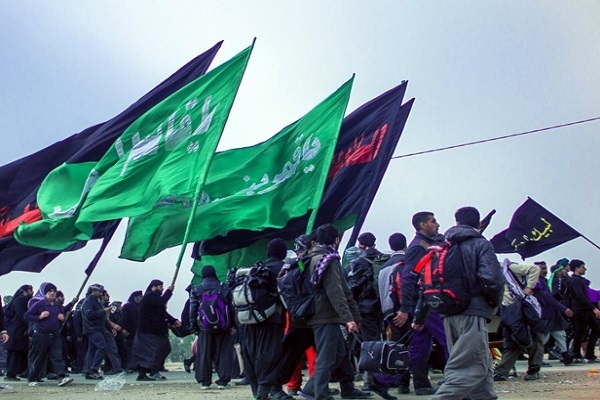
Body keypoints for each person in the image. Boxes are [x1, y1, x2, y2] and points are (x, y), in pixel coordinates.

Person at [414, 206, 504, 400]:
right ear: (479, 224)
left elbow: (425, 283)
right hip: (472, 311)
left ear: (456, 222)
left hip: (447, 310)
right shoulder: (480, 244)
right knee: (469, 368)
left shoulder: (441, 246)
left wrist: (420, 316)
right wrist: (492, 305)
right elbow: (493, 279)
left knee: (480, 362)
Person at [300, 223, 369, 400]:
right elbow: (337, 292)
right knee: (327, 356)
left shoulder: (314, 257)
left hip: (321, 314)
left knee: (340, 353)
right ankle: (319, 394)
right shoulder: (327, 260)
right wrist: (349, 318)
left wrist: (353, 315)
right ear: (337, 239)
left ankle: (317, 388)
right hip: (325, 315)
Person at [397, 212, 448, 395]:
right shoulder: (418, 247)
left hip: (426, 302)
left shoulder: (429, 244)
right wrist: (405, 308)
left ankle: (421, 384)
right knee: (447, 338)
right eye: (433, 221)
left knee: (421, 343)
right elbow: (408, 278)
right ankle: (455, 380)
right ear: (422, 225)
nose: (437, 224)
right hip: (426, 302)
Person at [240, 238, 287, 400]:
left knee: (252, 358)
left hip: (249, 319)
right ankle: (262, 395)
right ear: (283, 253)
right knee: (270, 357)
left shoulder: (256, 268)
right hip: (272, 320)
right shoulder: (283, 268)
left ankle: (257, 394)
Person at [345, 232, 384, 391]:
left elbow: (353, 287)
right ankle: (382, 375)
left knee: (367, 343)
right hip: (382, 307)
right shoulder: (383, 259)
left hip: (365, 307)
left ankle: (370, 379)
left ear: (360, 245)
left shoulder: (359, 263)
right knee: (378, 340)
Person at [494, 261, 543, 381]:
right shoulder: (493, 273)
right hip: (509, 310)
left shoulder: (510, 268)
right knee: (511, 340)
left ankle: (533, 369)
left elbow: (534, 269)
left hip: (524, 309)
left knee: (533, 338)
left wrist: (529, 287)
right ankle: (501, 371)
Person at [376, 232, 411, 395]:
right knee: (414, 346)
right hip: (404, 310)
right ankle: (415, 381)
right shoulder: (406, 263)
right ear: (405, 245)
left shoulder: (383, 266)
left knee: (397, 348)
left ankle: (399, 381)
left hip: (389, 311)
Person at [189, 265, 235, 389]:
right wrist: (233, 324)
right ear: (214, 273)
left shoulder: (197, 288)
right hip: (223, 325)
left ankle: (204, 381)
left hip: (204, 326)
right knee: (223, 352)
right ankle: (223, 381)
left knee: (204, 353)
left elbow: (193, 309)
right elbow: (231, 307)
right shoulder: (223, 286)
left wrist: (194, 326)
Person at [23, 283, 74, 387]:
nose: (52, 293)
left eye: (54, 291)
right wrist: (39, 317)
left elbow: (62, 314)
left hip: (55, 335)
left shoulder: (57, 305)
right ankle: (32, 377)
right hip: (41, 334)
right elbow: (27, 315)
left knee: (57, 356)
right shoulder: (39, 304)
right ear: (45, 293)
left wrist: (62, 317)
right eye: (49, 291)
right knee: (38, 357)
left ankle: (61, 377)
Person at [131, 279, 181, 381]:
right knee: (156, 351)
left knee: (149, 352)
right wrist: (169, 291)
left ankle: (143, 373)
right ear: (154, 287)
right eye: (160, 287)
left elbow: (162, 312)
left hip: (149, 330)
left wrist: (173, 320)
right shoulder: (150, 296)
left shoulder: (153, 299)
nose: (162, 289)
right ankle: (153, 372)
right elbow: (161, 302)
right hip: (150, 331)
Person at [565, 260, 600, 363]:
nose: (584, 269)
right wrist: (594, 308)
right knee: (580, 332)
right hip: (580, 310)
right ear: (577, 268)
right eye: (583, 267)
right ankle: (576, 353)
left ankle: (588, 354)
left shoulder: (578, 280)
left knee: (596, 329)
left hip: (585, 309)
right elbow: (580, 296)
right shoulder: (576, 281)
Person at [82, 283, 114, 380]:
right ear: (93, 291)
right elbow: (90, 315)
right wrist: (104, 311)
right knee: (102, 347)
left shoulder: (96, 300)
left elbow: (102, 318)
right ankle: (94, 369)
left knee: (92, 350)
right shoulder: (89, 300)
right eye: (99, 291)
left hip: (96, 328)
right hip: (92, 329)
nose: (100, 293)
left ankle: (88, 370)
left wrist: (109, 327)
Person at [4, 284, 32, 381]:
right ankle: (10, 374)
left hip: (19, 331)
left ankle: (16, 372)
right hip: (16, 331)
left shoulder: (23, 300)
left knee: (19, 353)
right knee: (14, 353)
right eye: (30, 290)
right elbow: (22, 315)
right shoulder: (20, 300)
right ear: (24, 291)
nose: (32, 292)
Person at [121, 290, 142, 372]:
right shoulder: (127, 306)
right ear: (135, 297)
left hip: (138, 331)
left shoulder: (140, 306)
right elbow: (124, 318)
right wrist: (124, 329)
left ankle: (136, 365)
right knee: (130, 349)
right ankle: (129, 366)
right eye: (140, 297)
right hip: (130, 331)